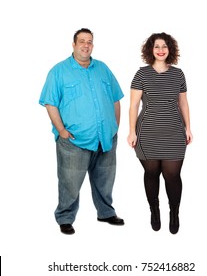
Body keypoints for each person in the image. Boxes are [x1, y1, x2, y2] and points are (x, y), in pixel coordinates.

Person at [39, 28, 124, 234]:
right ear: (74, 45)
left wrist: (114, 128)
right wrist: (61, 131)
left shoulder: (103, 69)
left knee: (105, 179)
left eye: (90, 42)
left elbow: (115, 98)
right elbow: (50, 103)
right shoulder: (58, 71)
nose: (86, 45)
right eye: (82, 41)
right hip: (74, 141)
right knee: (70, 182)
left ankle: (105, 212)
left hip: (105, 138)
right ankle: (65, 217)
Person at [127, 32, 193, 234]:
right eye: (157, 46)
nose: (161, 50)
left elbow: (183, 102)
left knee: (172, 175)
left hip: (174, 131)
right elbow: (134, 105)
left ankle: (174, 212)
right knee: (151, 173)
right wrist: (131, 132)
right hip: (147, 133)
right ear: (151, 50)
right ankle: (154, 210)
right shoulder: (141, 74)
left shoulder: (178, 74)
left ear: (170, 49)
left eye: (164, 46)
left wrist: (188, 127)